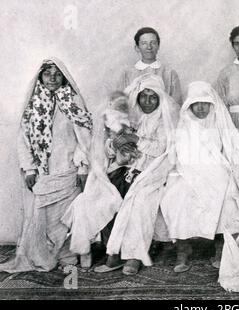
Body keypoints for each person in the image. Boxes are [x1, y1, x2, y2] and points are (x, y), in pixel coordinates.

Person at [63, 74, 178, 275]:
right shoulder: (132, 117)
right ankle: (110, 250)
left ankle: (133, 256)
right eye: (144, 96)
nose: (148, 102)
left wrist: (135, 138)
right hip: (126, 167)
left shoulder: (163, 119)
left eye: (153, 97)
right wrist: (116, 145)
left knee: (138, 202)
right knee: (99, 196)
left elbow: (161, 149)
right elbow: (112, 145)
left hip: (151, 170)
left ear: (160, 98)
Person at [0, 58, 92, 273]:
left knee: (66, 216)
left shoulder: (73, 103)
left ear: (64, 77)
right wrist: (30, 168)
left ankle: (68, 256)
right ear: (40, 77)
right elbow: (22, 139)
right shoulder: (33, 105)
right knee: (44, 218)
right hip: (43, 173)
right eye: (47, 73)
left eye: (57, 74)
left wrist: (82, 166)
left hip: (68, 171)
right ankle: (44, 256)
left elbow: (85, 137)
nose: (52, 78)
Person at [161, 81, 239, 273]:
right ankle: (183, 248)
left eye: (205, 103)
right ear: (189, 105)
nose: (201, 108)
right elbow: (174, 155)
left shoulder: (220, 123)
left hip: (217, 172)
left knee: (227, 194)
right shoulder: (184, 126)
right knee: (178, 196)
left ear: (212, 104)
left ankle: (221, 244)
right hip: (188, 174)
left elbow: (235, 147)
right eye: (196, 103)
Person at [119, 27, 183, 105]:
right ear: (137, 47)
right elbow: (120, 103)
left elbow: (176, 104)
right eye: (144, 43)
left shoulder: (170, 73)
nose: (149, 47)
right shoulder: (127, 73)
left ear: (158, 46)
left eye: (153, 43)